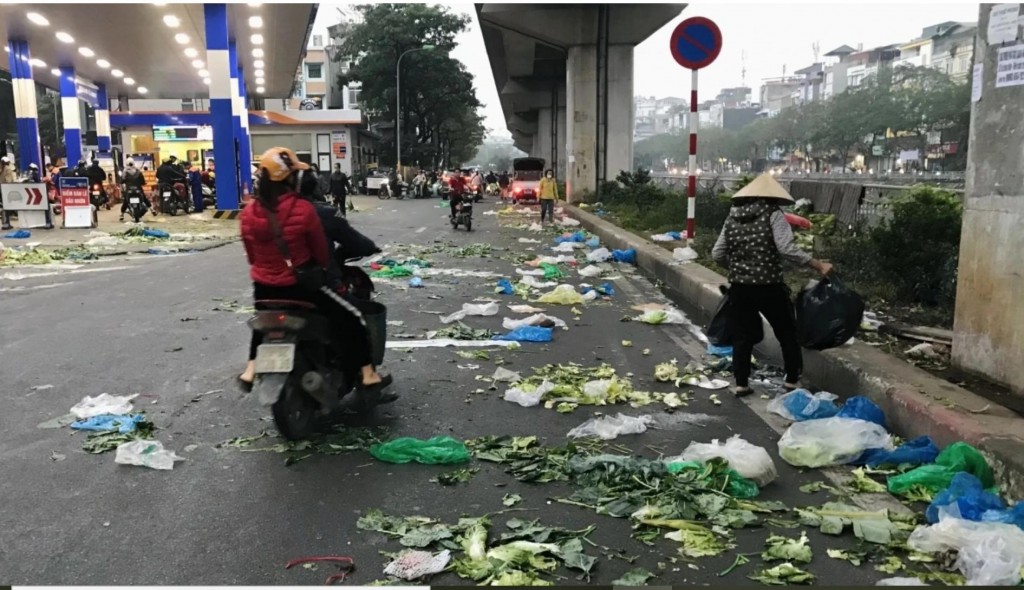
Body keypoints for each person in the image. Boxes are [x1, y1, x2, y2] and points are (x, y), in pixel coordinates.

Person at [238, 146, 391, 401]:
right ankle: (368, 376)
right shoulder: (303, 209)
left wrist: (267, 269)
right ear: (290, 178)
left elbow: (251, 254)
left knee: (263, 322)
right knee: (353, 319)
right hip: (301, 289)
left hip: (263, 290)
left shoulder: (249, 213)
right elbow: (320, 253)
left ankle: (250, 370)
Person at [711, 173, 834, 398]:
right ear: (772, 197)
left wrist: (737, 267)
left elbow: (717, 253)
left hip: (740, 287)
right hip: (769, 286)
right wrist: (818, 265)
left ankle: (741, 383)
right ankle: (791, 380)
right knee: (787, 332)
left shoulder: (732, 217)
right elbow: (786, 248)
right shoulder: (774, 215)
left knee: (742, 335)